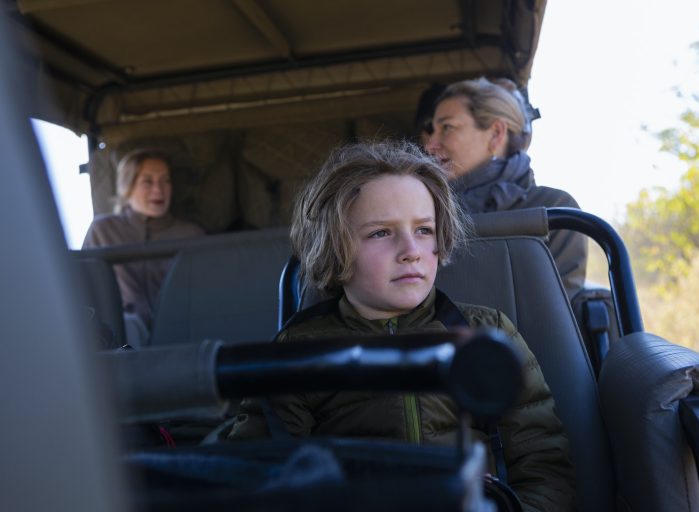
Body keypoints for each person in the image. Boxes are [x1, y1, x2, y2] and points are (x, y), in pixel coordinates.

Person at [229, 141, 575, 511]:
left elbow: (543, 464)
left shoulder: (486, 336)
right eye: (381, 233)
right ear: (336, 246)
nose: (411, 249)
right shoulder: (299, 351)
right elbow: (263, 475)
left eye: (424, 230)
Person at [424, 77, 587, 299]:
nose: (430, 144)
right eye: (433, 130)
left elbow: (555, 317)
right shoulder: (423, 211)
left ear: (496, 134)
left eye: (447, 127)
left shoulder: (554, 211)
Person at [82, 148, 204, 331]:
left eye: (166, 181)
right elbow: (83, 292)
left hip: (182, 330)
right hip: (123, 338)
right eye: (148, 181)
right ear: (127, 187)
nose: (158, 189)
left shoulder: (191, 235)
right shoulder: (102, 231)